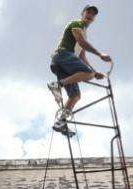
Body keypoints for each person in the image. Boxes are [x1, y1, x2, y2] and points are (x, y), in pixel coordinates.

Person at [47, 5, 112, 136]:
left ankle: (61, 122)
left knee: (75, 96)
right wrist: (100, 54)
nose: (90, 15)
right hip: (62, 55)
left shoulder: (84, 33)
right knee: (88, 74)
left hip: (64, 63)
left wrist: (95, 71)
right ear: (82, 13)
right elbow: (81, 42)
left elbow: (82, 56)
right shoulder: (76, 24)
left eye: (93, 14)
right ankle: (57, 85)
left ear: (94, 18)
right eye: (88, 12)